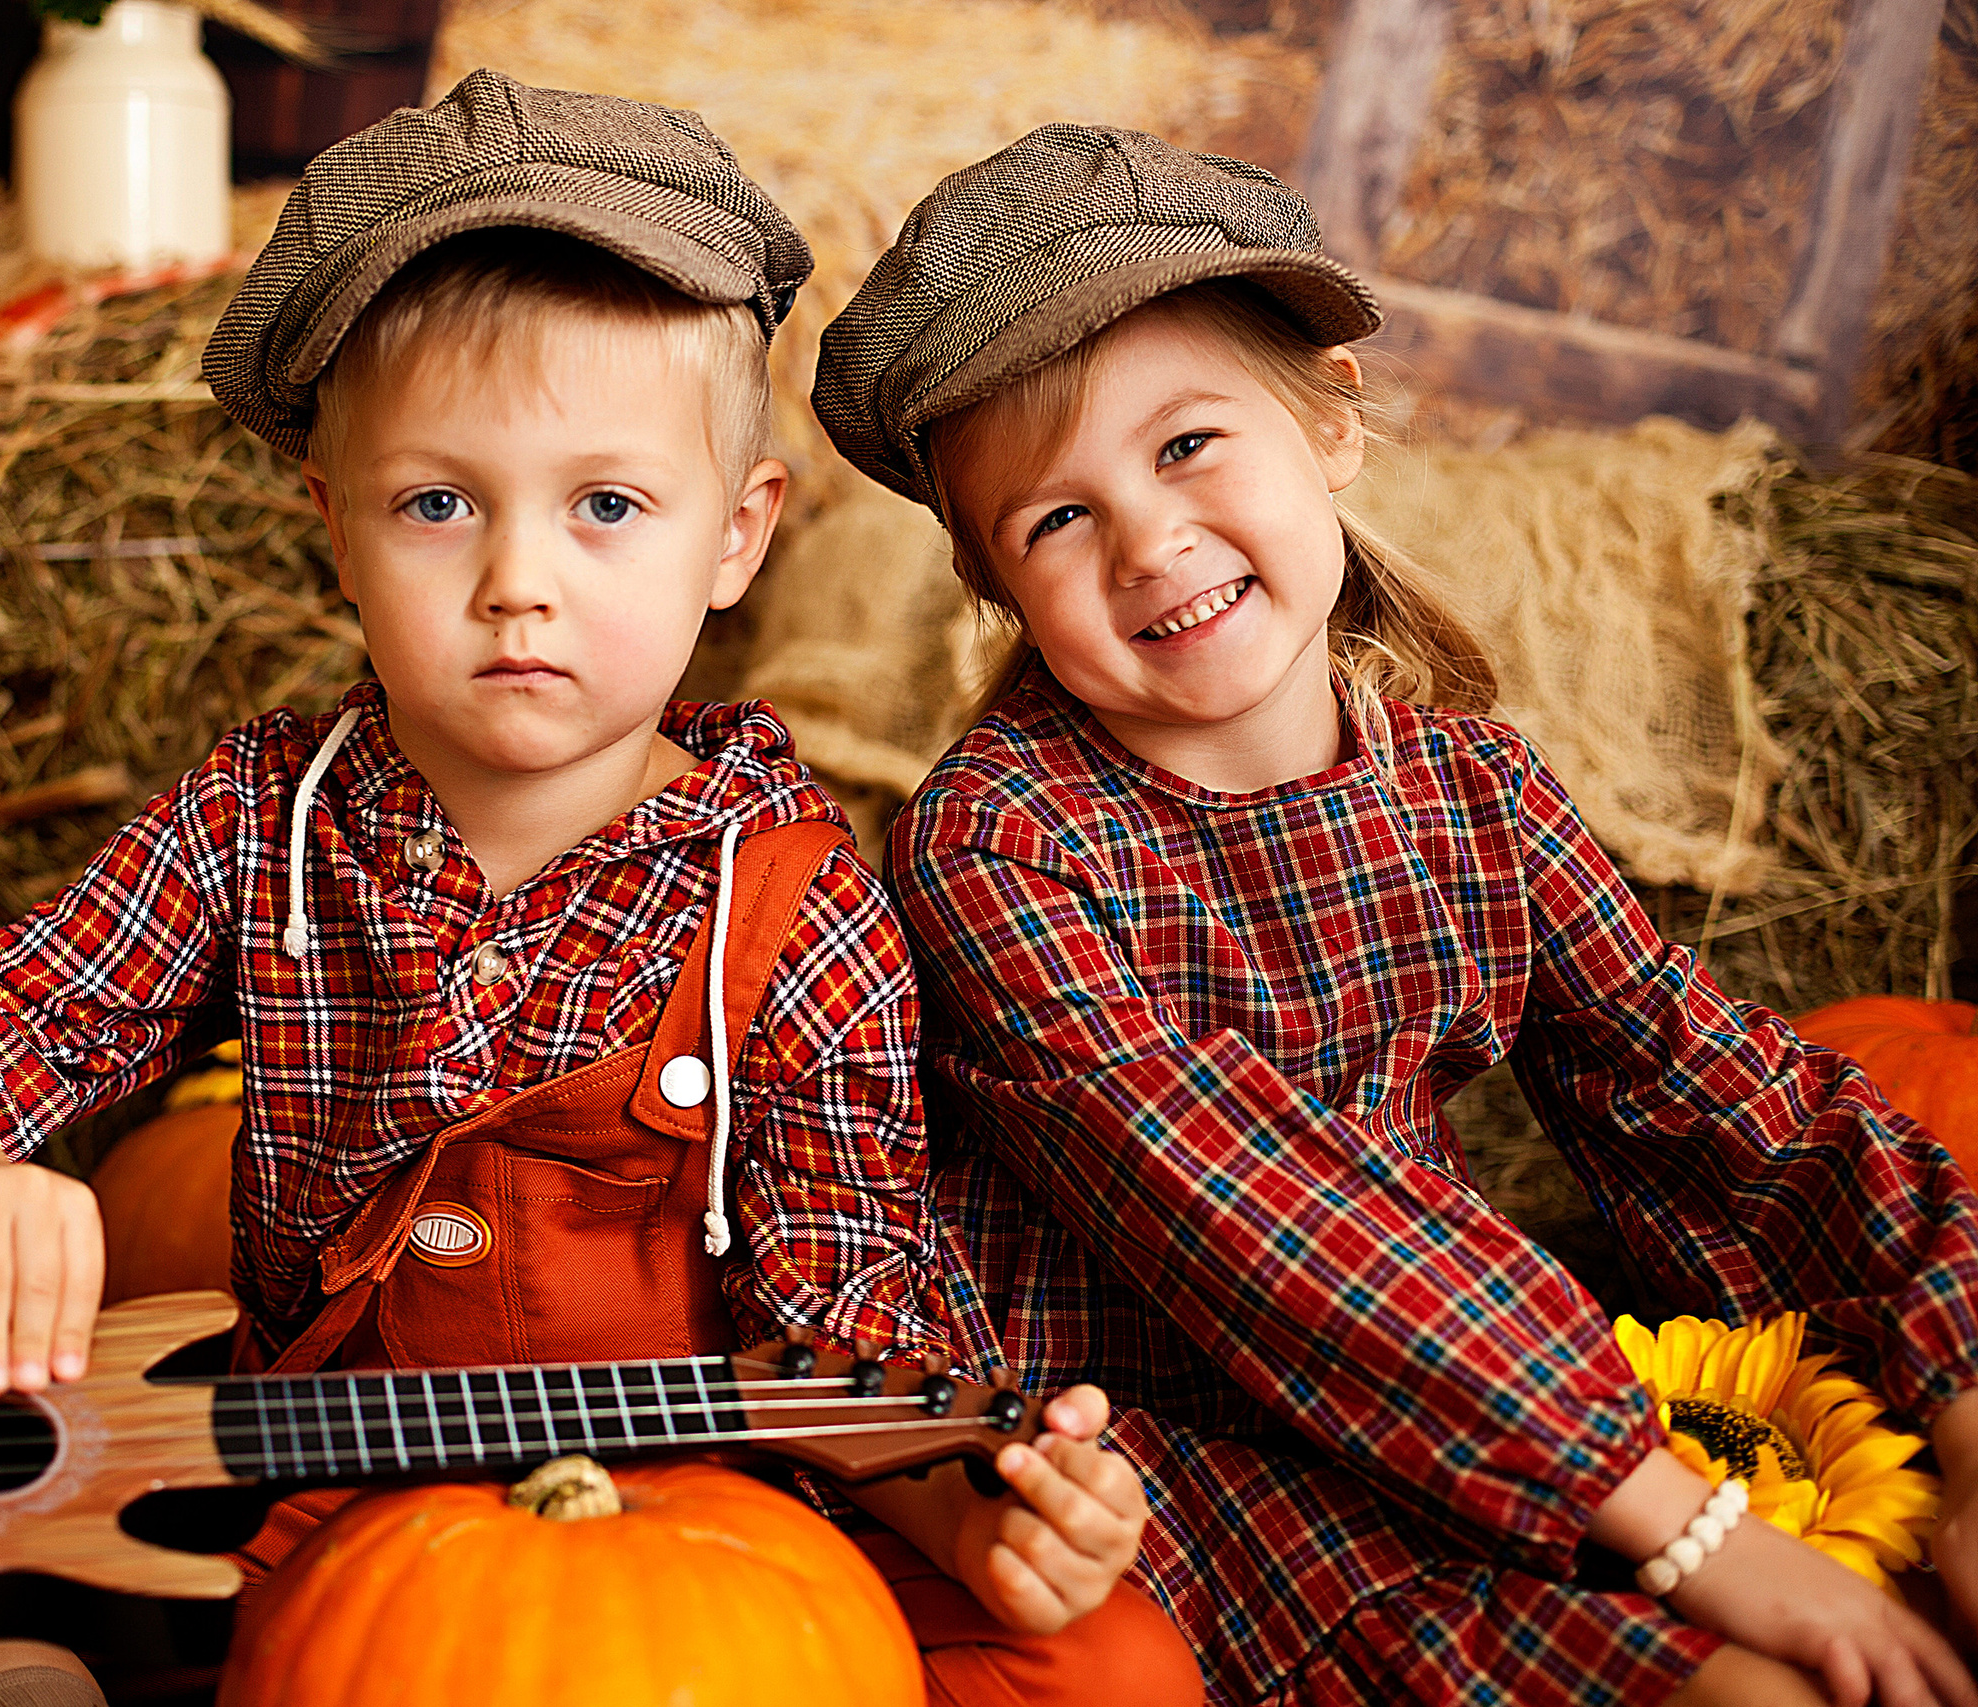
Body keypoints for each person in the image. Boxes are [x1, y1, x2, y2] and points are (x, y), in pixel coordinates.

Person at [0, 74, 1198, 1707]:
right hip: (332, 1508)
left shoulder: (794, 912)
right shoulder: (269, 826)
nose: (518, 581)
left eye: (607, 507)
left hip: (695, 1520)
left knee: (1102, 1659)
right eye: (439, 504)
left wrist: (971, 1498)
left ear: (737, 536)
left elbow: (833, 1314)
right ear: (335, 533)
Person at [809, 123, 1978, 1707]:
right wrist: (1692, 1533)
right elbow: (1273, 1228)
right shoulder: (997, 845)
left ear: (1331, 423)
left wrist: (1958, 1395)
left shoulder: (1470, 786)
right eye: (1056, 521)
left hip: (1479, 1388)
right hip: (1168, 1449)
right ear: (996, 583)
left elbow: (1718, 1097)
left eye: (1186, 445)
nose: (1150, 542)